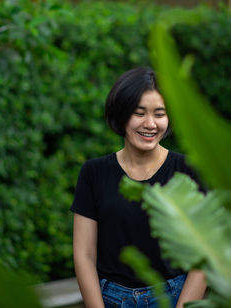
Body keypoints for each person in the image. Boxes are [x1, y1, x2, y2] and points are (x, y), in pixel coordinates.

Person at [70, 67, 206, 308]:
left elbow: (203, 255)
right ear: (121, 114)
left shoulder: (188, 170)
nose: (150, 124)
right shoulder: (94, 173)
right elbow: (84, 255)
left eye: (160, 114)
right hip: (108, 299)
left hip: (174, 298)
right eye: (139, 113)